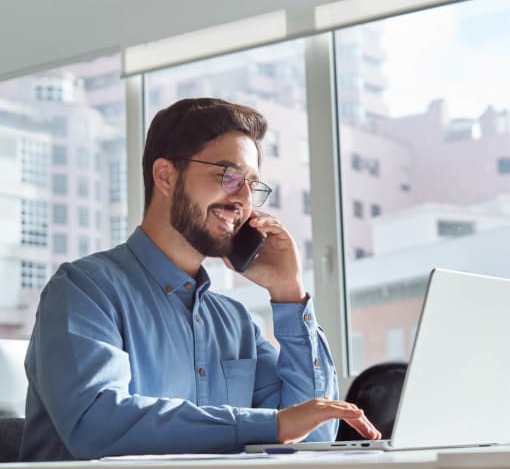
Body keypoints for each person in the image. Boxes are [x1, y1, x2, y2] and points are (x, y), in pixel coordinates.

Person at [20, 98, 381, 461]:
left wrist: (288, 292)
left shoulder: (237, 324)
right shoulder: (84, 290)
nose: (243, 199)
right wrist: (268, 426)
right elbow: (95, 423)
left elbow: (313, 436)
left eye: (251, 185)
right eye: (229, 175)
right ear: (166, 176)